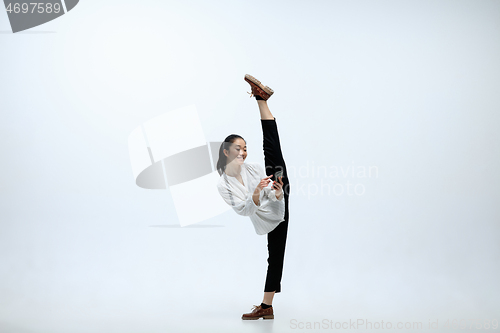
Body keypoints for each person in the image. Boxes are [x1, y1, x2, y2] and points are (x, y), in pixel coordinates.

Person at [216, 74, 291, 320]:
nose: (244, 153)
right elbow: (243, 210)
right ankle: (267, 306)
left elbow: (268, 186)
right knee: (275, 255)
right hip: (268, 216)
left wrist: (277, 192)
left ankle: (262, 100)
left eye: (245, 149)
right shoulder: (224, 184)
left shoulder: (253, 168)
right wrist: (258, 191)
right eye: (239, 149)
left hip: (277, 199)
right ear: (226, 152)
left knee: (272, 150)